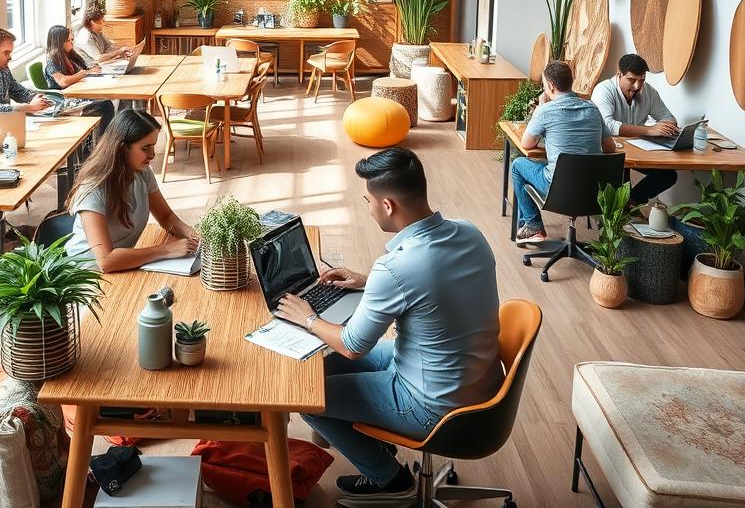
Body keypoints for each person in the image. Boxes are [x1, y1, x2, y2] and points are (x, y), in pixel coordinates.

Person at [276, 147, 502, 498]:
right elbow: (435, 285)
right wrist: (366, 280)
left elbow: (353, 346)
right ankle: (378, 446)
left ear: (387, 205)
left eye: (367, 200)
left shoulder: (396, 268)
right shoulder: (469, 232)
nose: (367, 207)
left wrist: (308, 318)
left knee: (308, 397)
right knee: (322, 367)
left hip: (432, 404)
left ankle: (389, 479)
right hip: (478, 380)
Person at [65, 109, 198, 271]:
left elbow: (166, 216)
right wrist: (167, 250)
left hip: (122, 266)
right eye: (145, 148)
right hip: (87, 274)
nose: (152, 154)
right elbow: (106, 261)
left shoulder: (142, 172)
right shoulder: (93, 188)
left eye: (153, 146)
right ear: (122, 148)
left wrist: (196, 237)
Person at [513, 60, 617, 244]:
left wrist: (540, 107)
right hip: (594, 190)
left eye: (545, 85)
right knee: (556, 164)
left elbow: (526, 144)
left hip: (558, 189)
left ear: (551, 86)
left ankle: (533, 225)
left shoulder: (546, 111)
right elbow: (610, 148)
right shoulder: (593, 108)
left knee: (518, 165)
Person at [592, 52, 679, 205]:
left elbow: (669, 118)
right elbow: (607, 126)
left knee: (668, 175)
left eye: (641, 80)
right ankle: (618, 211)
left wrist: (664, 127)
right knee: (621, 174)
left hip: (639, 152)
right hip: (609, 152)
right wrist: (649, 130)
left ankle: (631, 202)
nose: (637, 86)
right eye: (632, 80)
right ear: (619, 74)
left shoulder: (648, 91)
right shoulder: (603, 90)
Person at [42, 25, 115, 134]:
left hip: (78, 94)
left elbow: (87, 67)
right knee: (104, 106)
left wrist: (92, 69)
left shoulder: (71, 54)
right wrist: (83, 74)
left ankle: (103, 139)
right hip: (64, 102)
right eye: (67, 41)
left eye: (72, 39)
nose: (71, 43)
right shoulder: (52, 61)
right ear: (59, 44)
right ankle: (97, 143)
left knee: (107, 103)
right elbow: (62, 82)